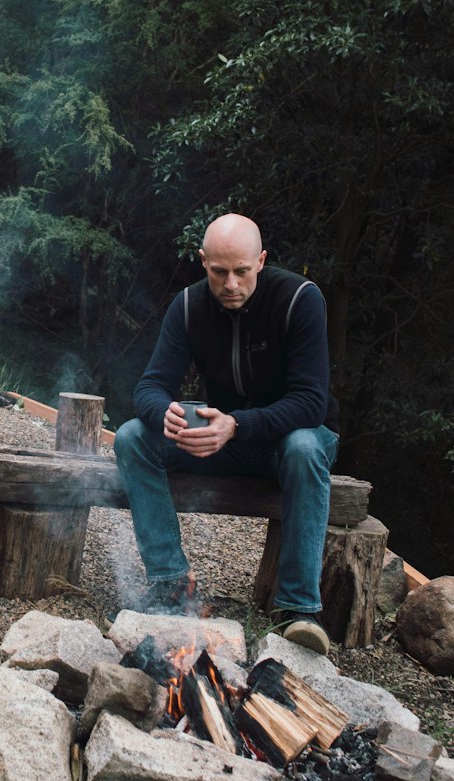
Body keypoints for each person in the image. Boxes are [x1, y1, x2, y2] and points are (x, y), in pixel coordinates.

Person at [114, 213, 338, 654]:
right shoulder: (188, 306)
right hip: (225, 441)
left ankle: (298, 610)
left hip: (287, 443)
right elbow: (150, 385)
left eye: (242, 271)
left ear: (262, 261)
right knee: (130, 437)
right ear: (203, 262)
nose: (231, 284)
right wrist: (168, 415)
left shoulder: (299, 299)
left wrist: (238, 425)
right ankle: (170, 584)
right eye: (219, 272)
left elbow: (312, 402)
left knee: (305, 445)